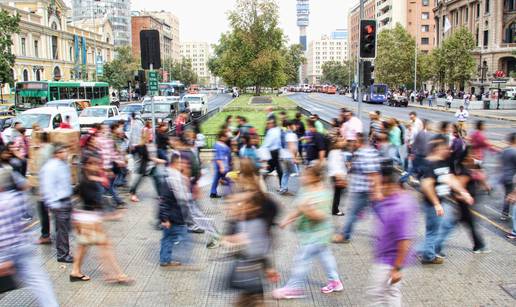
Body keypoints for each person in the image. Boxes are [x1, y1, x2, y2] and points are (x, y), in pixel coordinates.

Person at [273, 164, 343, 299]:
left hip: (316, 235)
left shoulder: (323, 194)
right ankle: (335, 281)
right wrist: (286, 220)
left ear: (315, 178)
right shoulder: (305, 190)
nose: (302, 177)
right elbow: (298, 209)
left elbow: (321, 216)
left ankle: (293, 288)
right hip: (312, 234)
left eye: (306, 176)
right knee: (325, 256)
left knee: (302, 260)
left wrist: (309, 211)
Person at [0, 159, 59, 307]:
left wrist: (4, 259)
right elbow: (28, 216)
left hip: (9, 249)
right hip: (25, 245)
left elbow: (4, 233)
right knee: (39, 281)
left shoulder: (3, 203)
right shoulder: (17, 197)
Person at [71, 155, 133, 284]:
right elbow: (94, 203)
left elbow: (75, 194)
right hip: (89, 220)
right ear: (87, 166)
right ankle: (116, 274)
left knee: (84, 247)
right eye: (94, 164)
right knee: (105, 246)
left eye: (98, 164)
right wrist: (111, 215)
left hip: (86, 219)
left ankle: (76, 271)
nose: (97, 166)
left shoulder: (88, 180)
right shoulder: (87, 182)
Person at [367, 160, 417, 306]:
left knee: (376, 299)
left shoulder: (399, 207)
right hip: (387, 260)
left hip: (388, 263)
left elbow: (405, 241)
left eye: (380, 184)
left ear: (389, 184)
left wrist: (397, 269)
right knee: (391, 295)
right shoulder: (400, 199)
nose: (377, 188)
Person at [419, 135, 473, 264]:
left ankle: (430, 250)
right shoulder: (430, 164)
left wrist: (463, 192)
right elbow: (427, 185)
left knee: (444, 226)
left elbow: (450, 179)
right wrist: (436, 204)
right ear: (437, 149)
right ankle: (428, 256)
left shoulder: (443, 162)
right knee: (433, 230)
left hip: (442, 202)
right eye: (445, 148)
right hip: (433, 203)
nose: (448, 150)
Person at [224, 191, 278, 306]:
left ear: (252, 207)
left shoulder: (259, 224)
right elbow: (225, 240)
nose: (231, 207)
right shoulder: (236, 222)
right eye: (231, 203)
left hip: (252, 275)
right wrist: (231, 241)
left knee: (252, 300)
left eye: (238, 203)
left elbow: (260, 251)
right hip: (243, 273)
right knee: (247, 300)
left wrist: (269, 268)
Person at [434, 146, 490, 256]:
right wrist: (463, 197)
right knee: (451, 226)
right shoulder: (463, 170)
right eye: (472, 154)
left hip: (466, 203)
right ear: (466, 156)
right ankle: (435, 246)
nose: (475, 156)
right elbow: (458, 188)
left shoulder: (469, 165)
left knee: (464, 223)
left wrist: (484, 184)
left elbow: (480, 174)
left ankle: (478, 245)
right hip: (464, 203)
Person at [333, 133, 382, 243]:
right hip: (364, 189)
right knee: (379, 213)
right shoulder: (368, 151)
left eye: (354, 141)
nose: (352, 143)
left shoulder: (365, 153)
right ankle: (390, 234)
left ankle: (344, 236)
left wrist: (376, 191)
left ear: (359, 142)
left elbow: (373, 173)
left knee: (352, 213)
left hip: (363, 190)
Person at [39, 143, 74, 263]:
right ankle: (63, 255)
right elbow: (48, 187)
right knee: (62, 230)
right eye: (64, 151)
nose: (66, 153)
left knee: (64, 229)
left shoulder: (63, 164)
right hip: (59, 202)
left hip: (65, 200)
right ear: (57, 153)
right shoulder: (51, 167)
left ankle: (64, 251)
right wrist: (53, 204)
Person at [159, 153, 194, 267]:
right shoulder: (170, 180)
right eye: (180, 163)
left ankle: (165, 259)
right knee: (181, 237)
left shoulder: (177, 178)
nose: (182, 165)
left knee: (168, 238)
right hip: (172, 216)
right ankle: (166, 259)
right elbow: (164, 201)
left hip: (174, 215)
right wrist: (165, 219)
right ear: (174, 164)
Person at [129, 131, 166, 202]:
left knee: (158, 180)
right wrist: (155, 159)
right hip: (144, 167)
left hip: (152, 166)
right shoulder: (141, 146)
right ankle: (133, 194)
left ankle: (160, 195)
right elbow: (145, 156)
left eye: (152, 135)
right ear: (146, 136)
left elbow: (156, 153)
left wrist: (159, 159)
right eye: (150, 135)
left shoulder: (153, 144)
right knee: (138, 181)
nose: (151, 136)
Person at [34, 133, 54, 245]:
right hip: (55, 187)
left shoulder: (42, 152)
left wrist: (41, 189)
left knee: (43, 211)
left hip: (46, 187)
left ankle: (45, 236)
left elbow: (42, 172)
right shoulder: (53, 149)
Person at [328, 138, 347, 216]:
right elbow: (334, 165)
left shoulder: (337, 151)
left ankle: (335, 208)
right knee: (337, 193)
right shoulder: (334, 152)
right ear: (336, 143)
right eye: (341, 141)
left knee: (338, 193)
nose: (344, 142)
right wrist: (338, 177)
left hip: (339, 175)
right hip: (337, 175)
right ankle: (335, 210)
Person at [279, 120, 299, 195]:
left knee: (286, 173)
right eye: (294, 125)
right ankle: (305, 190)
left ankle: (283, 188)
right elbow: (292, 146)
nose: (295, 126)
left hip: (283, 156)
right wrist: (294, 157)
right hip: (290, 157)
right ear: (289, 126)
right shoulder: (291, 134)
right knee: (297, 173)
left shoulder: (282, 133)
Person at [210, 131, 231, 198]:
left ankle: (213, 192)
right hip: (222, 165)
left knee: (218, 179)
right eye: (226, 136)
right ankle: (230, 193)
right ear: (222, 137)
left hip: (223, 165)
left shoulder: (221, 144)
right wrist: (222, 167)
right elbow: (219, 157)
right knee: (228, 178)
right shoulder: (219, 145)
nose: (227, 137)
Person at [262, 119, 283, 187]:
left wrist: (262, 149)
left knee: (270, 168)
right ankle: (281, 184)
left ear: (273, 124)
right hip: (276, 151)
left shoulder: (271, 131)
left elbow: (268, 142)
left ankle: (261, 182)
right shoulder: (277, 130)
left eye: (269, 124)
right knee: (277, 168)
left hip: (272, 152)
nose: (268, 125)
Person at [500, 133, 516, 221]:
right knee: (511, 196)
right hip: (511, 178)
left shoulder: (505, 150)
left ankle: (505, 214)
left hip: (504, 176)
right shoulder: (514, 151)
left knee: (507, 195)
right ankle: (506, 214)